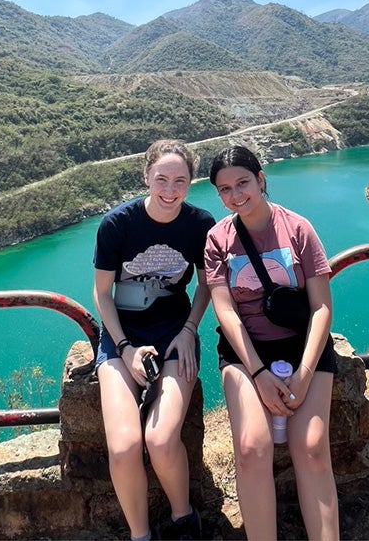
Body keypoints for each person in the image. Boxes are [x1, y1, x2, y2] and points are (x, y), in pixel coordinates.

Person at [204, 145, 339, 541]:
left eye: (243, 182)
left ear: (261, 180)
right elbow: (225, 312)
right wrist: (259, 373)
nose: (235, 195)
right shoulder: (218, 239)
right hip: (246, 352)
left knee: (312, 448)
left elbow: (322, 309)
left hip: (303, 347)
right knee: (251, 448)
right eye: (224, 189)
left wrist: (303, 374)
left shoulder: (298, 229)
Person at [92, 139, 215, 541]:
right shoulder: (117, 224)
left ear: (190, 183)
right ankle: (140, 535)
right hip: (121, 335)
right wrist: (125, 349)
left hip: (174, 332)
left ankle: (184, 520)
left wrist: (189, 330)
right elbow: (102, 295)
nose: (170, 189)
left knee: (161, 440)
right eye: (161, 179)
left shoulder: (199, 224)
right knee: (125, 447)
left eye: (180, 180)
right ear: (146, 176)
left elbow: (206, 284)